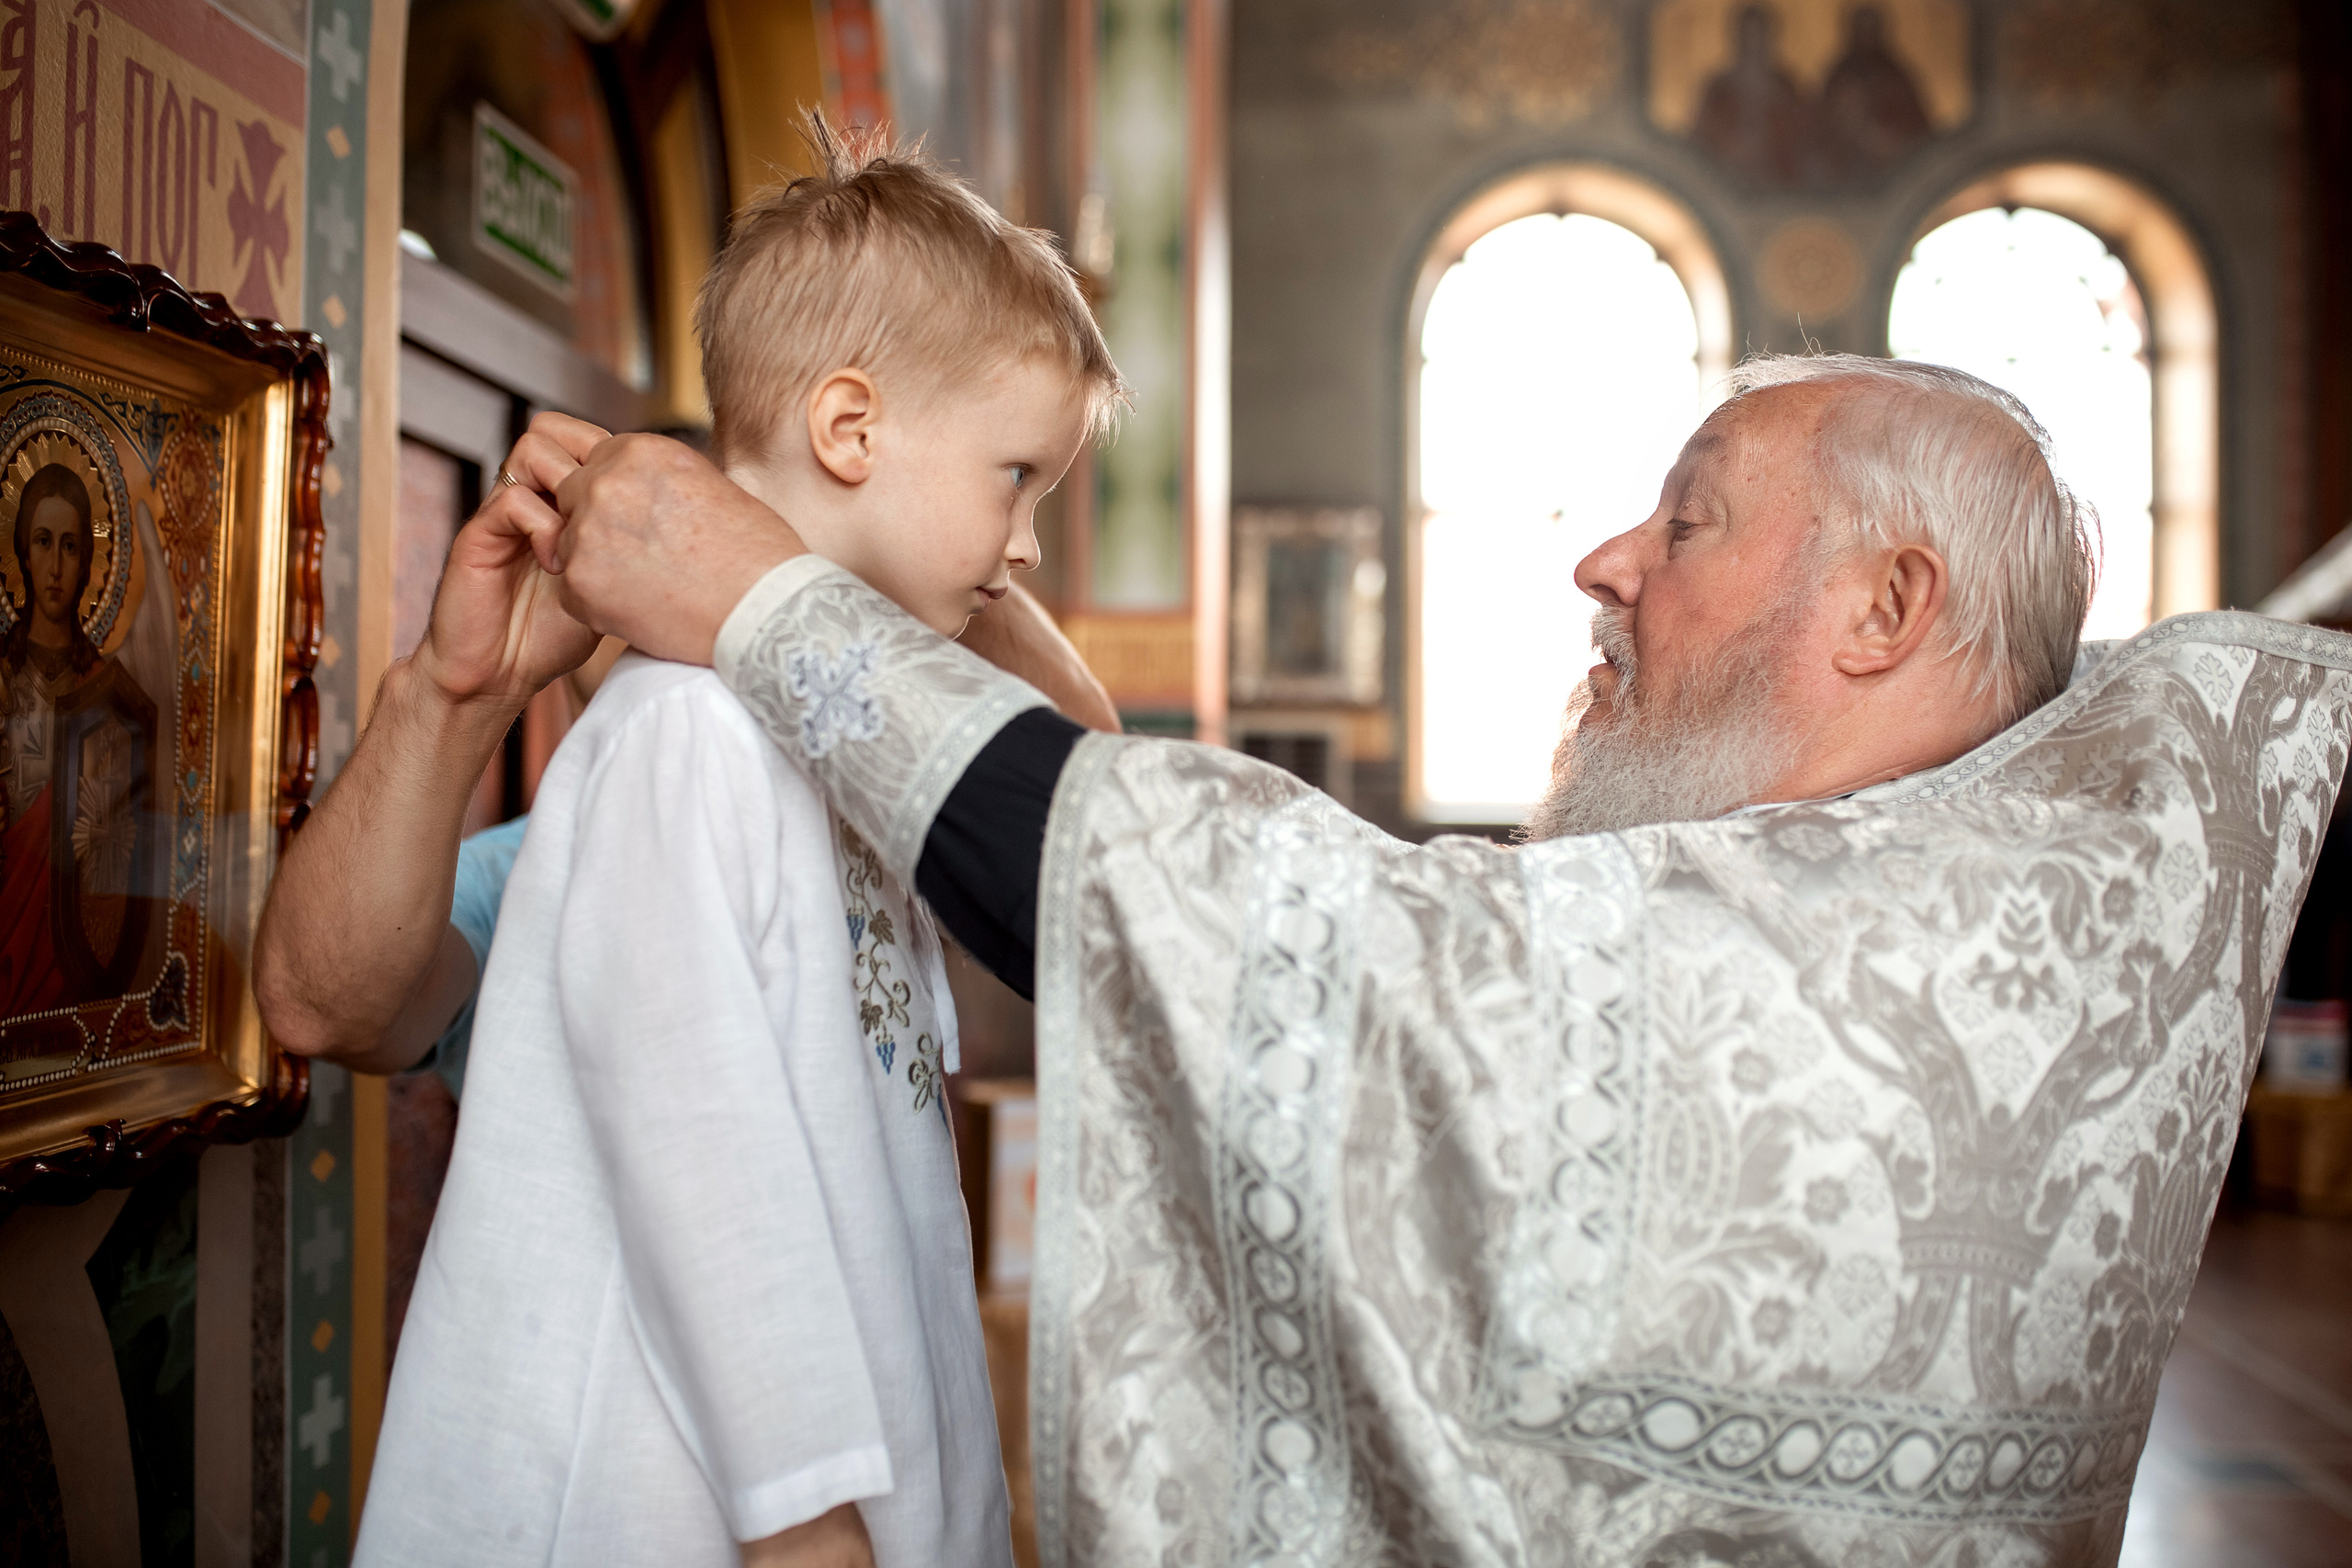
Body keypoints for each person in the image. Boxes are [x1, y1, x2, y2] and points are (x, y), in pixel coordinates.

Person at [533, 350, 2352, 1566]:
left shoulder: (1827, 975)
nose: (1604, 562)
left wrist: (763, 600)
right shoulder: (2024, 916)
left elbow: (1260, 947)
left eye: (1688, 520)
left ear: (1884, 606)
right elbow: (1279, 923)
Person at [349, 123, 1125, 1568]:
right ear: (850, 430)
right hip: (684, 1507)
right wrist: (806, 1516)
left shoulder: (834, 735)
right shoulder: (683, 732)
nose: (1025, 548)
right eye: (1016, 478)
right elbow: (699, 1147)